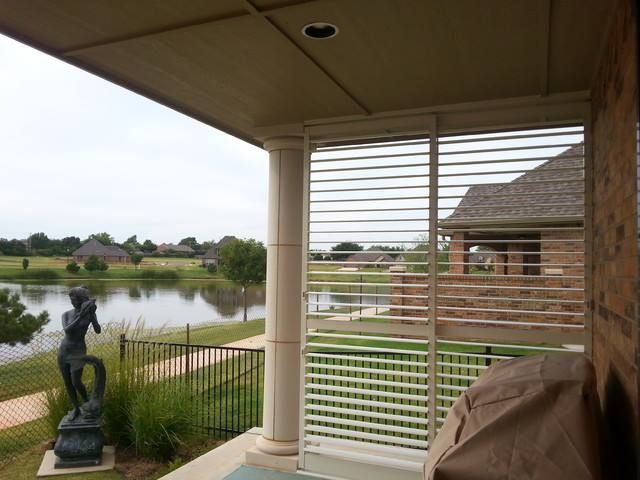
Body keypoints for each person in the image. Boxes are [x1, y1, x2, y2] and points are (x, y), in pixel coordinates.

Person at [57, 286, 101, 420]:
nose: (72, 302)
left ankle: (87, 402)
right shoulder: (66, 314)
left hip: (79, 350)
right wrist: (80, 316)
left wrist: (92, 315)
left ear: (81, 299)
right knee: (68, 382)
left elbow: (98, 330)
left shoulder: (89, 313)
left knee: (76, 381)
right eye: (71, 300)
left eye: (75, 300)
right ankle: (76, 408)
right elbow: (67, 330)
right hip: (64, 351)